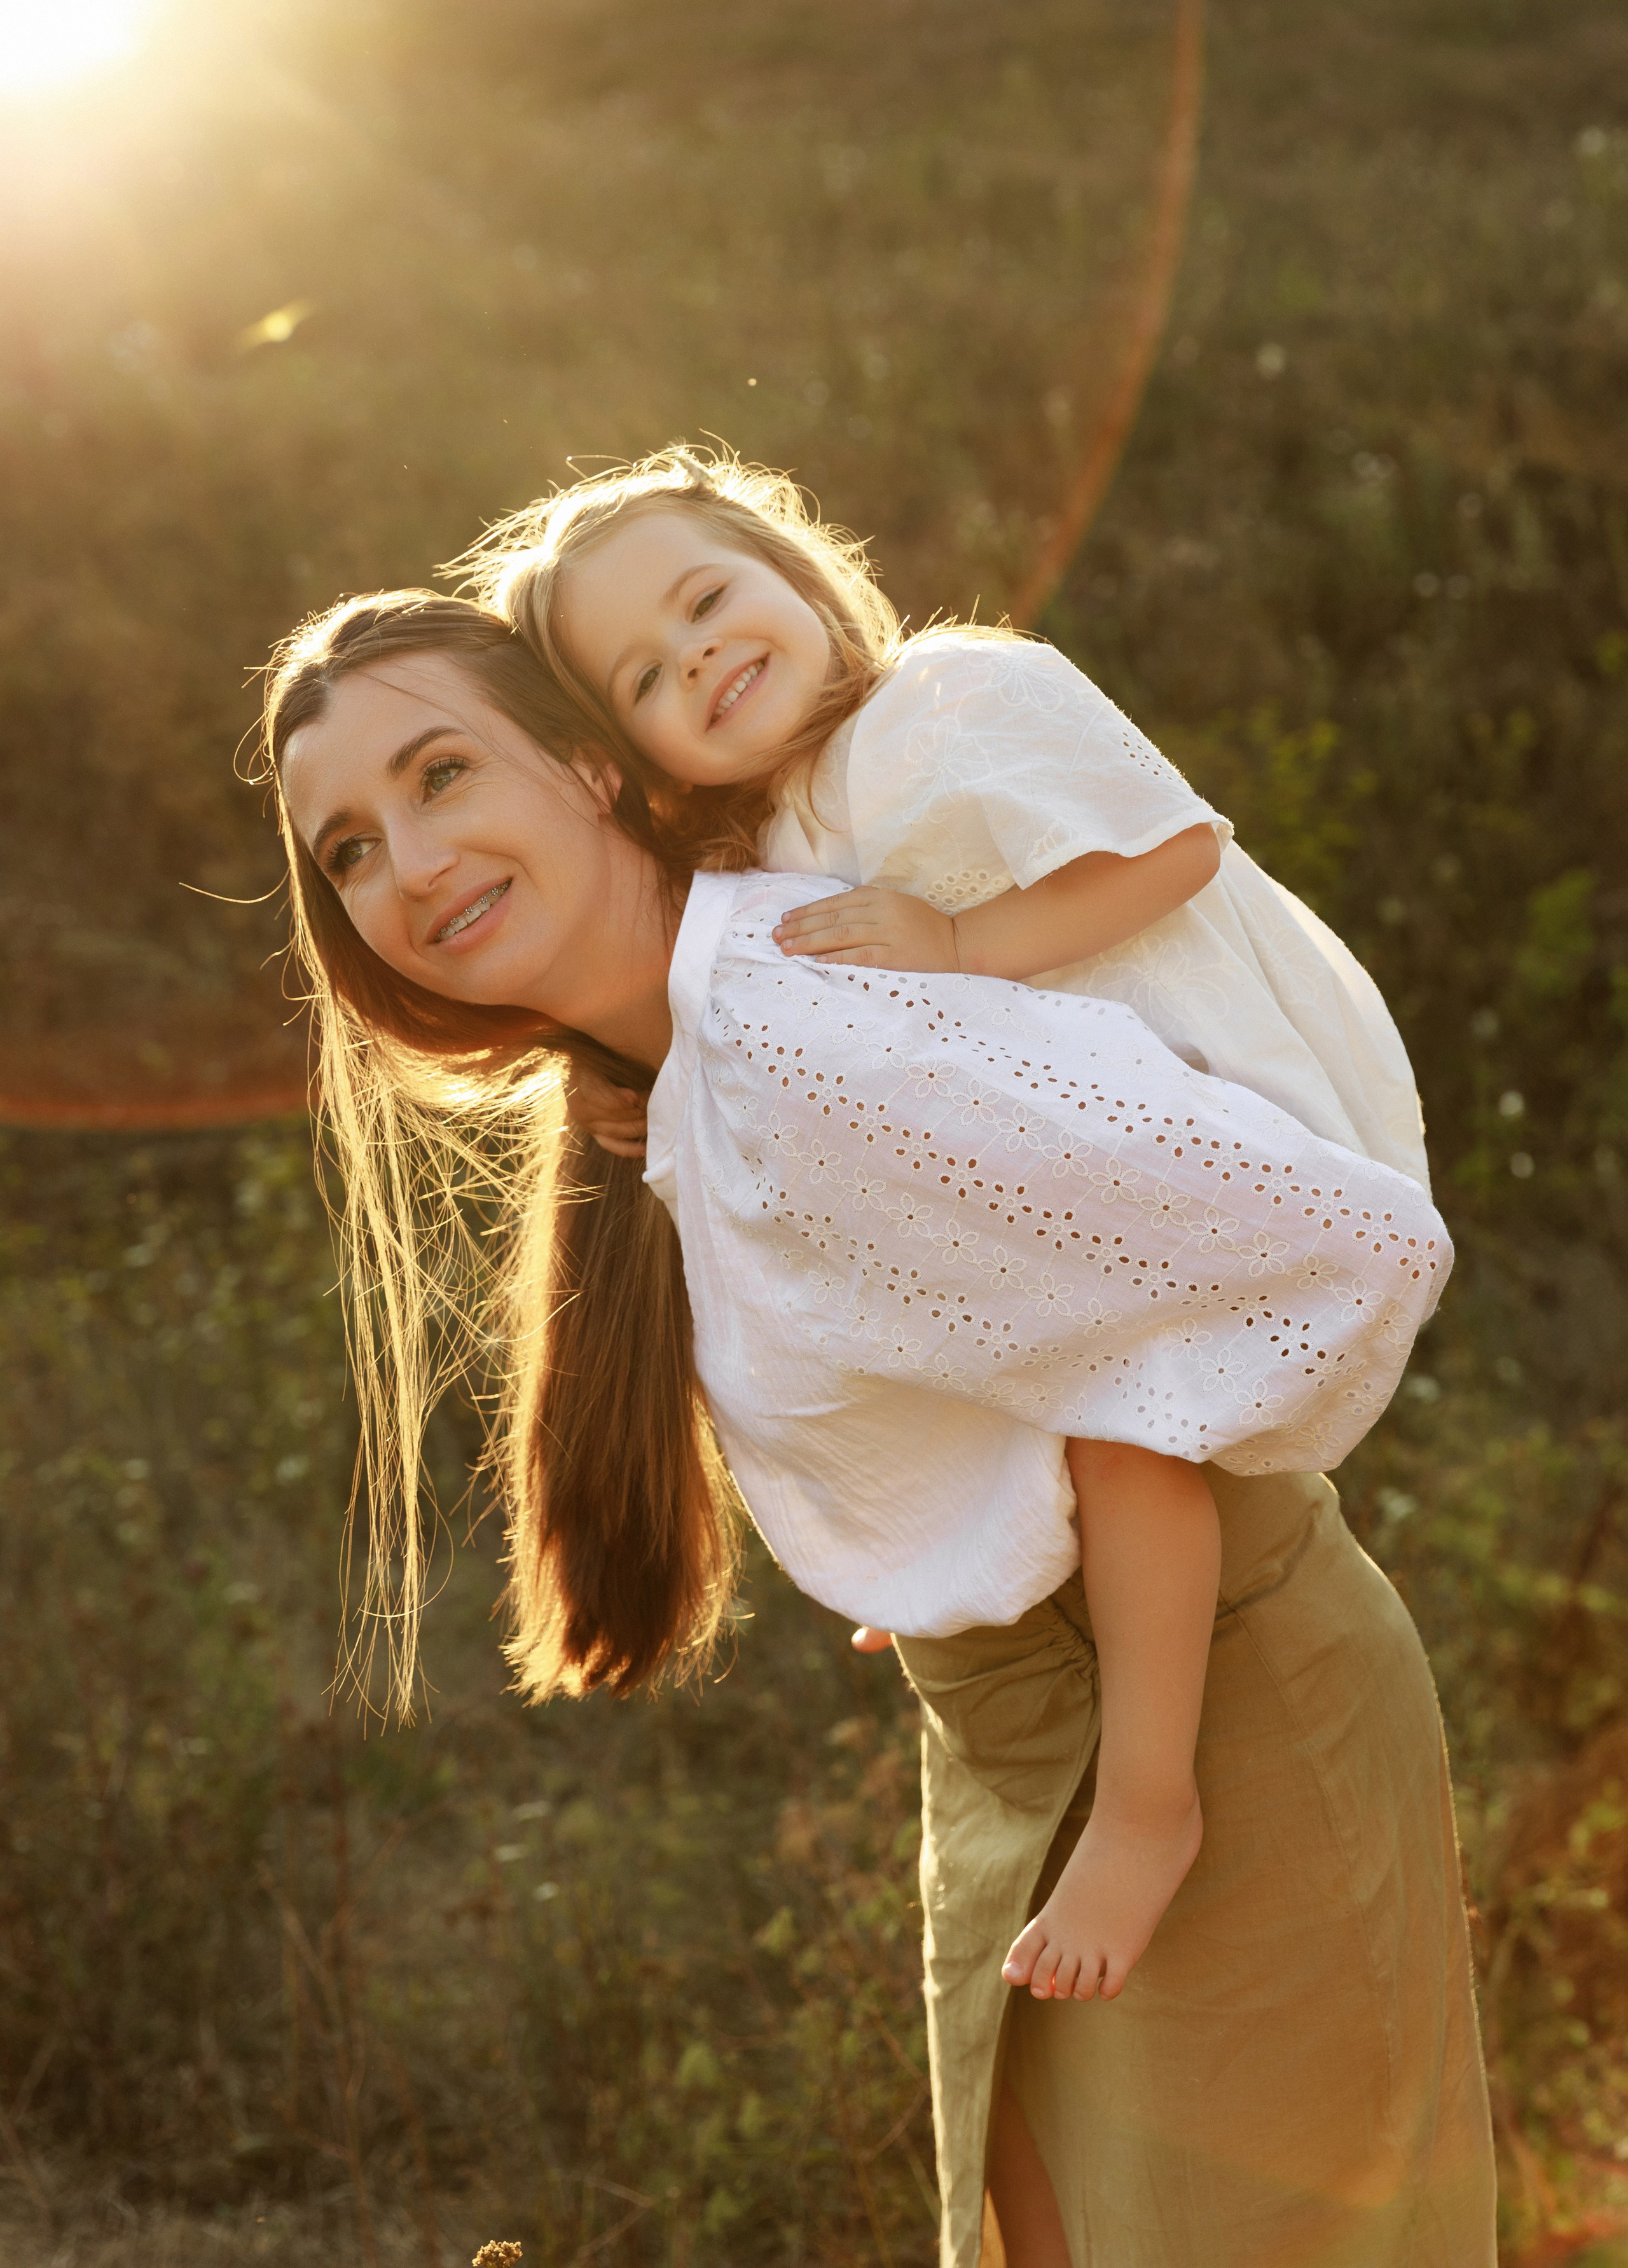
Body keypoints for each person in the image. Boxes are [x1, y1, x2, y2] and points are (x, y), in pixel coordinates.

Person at [262, 588, 1496, 2268]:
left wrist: (1105, 1633)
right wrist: (963, 1524)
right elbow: (981, 1307)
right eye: (347, 848)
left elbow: (1322, 1247)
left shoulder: (797, 1024)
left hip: (1211, 1735)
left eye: (441, 774)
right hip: (1031, 1748)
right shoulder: (683, 1065)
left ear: (591, 766)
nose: (408, 865)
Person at [452, 445, 1432, 2009]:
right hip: (1056, 1165)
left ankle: (1148, 1801)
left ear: (795, 571)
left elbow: (1174, 845)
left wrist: (965, 939)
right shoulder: (762, 842)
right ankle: (969, 1546)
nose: (695, 655)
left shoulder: (956, 690)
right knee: (969, 1330)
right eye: (643, 674)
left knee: (1119, 1418)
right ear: (630, 752)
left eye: (705, 599)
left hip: (1210, 1097)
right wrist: (633, 1087)